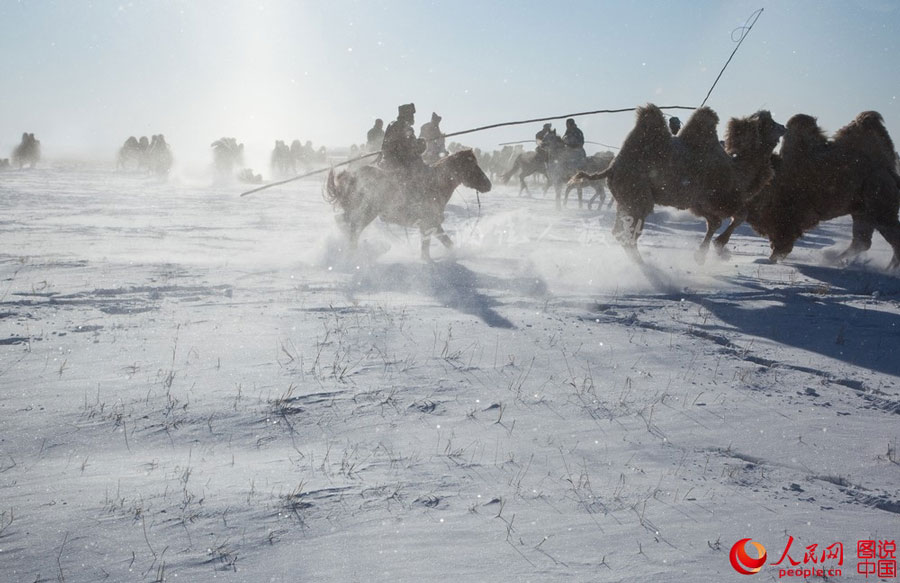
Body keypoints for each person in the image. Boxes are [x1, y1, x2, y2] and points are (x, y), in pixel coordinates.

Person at [380, 103, 427, 186]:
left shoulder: (394, 124)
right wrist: (421, 143)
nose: (413, 117)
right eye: (411, 115)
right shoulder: (404, 126)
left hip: (391, 158)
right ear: (407, 115)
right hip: (400, 161)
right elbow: (410, 147)